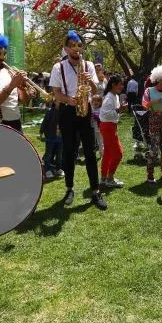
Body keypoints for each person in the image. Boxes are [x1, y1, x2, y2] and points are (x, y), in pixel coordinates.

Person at [49, 30, 105, 210]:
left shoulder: (88, 65)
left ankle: (95, 191)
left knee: (90, 152)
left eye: (79, 45)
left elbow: (96, 92)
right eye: (72, 46)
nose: (76, 49)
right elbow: (56, 94)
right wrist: (69, 100)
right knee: (69, 152)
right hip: (67, 111)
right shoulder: (59, 67)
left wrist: (91, 82)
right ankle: (69, 188)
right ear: (66, 48)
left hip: (85, 110)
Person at [99, 74, 127, 188]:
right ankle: (110, 179)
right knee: (118, 153)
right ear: (113, 85)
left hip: (110, 126)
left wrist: (119, 110)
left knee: (108, 153)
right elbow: (105, 114)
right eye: (120, 84)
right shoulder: (109, 97)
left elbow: (113, 113)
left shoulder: (114, 96)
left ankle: (104, 178)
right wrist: (119, 109)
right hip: (108, 127)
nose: (122, 86)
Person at [40, 101, 63, 180]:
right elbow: (44, 122)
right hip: (50, 137)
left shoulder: (65, 111)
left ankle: (58, 168)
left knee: (59, 155)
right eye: (59, 101)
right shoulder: (50, 111)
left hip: (61, 138)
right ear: (54, 102)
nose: (60, 103)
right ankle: (47, 169)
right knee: (49, 154)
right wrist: (41, 132)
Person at [91, 93, 104, 158]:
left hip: (99, 129)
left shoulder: (101, 109)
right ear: (92, 102)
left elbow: (101, 118)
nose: (96, 102)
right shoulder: (90, 109)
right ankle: (92, 155)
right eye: (94, 101)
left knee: (100, 143)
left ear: (100, 103)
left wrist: (94, 115)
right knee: (92, 143)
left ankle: (102, 154)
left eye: (98, 101)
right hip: (92, 129)